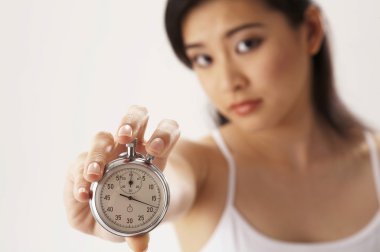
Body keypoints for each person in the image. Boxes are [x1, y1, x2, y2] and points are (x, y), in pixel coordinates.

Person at [64, 0, 380, 251]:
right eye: (203, 59)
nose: (228, 81)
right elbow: (172, 181)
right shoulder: (200, 167)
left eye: (246, 44)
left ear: (310, 30)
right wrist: (113, 199)